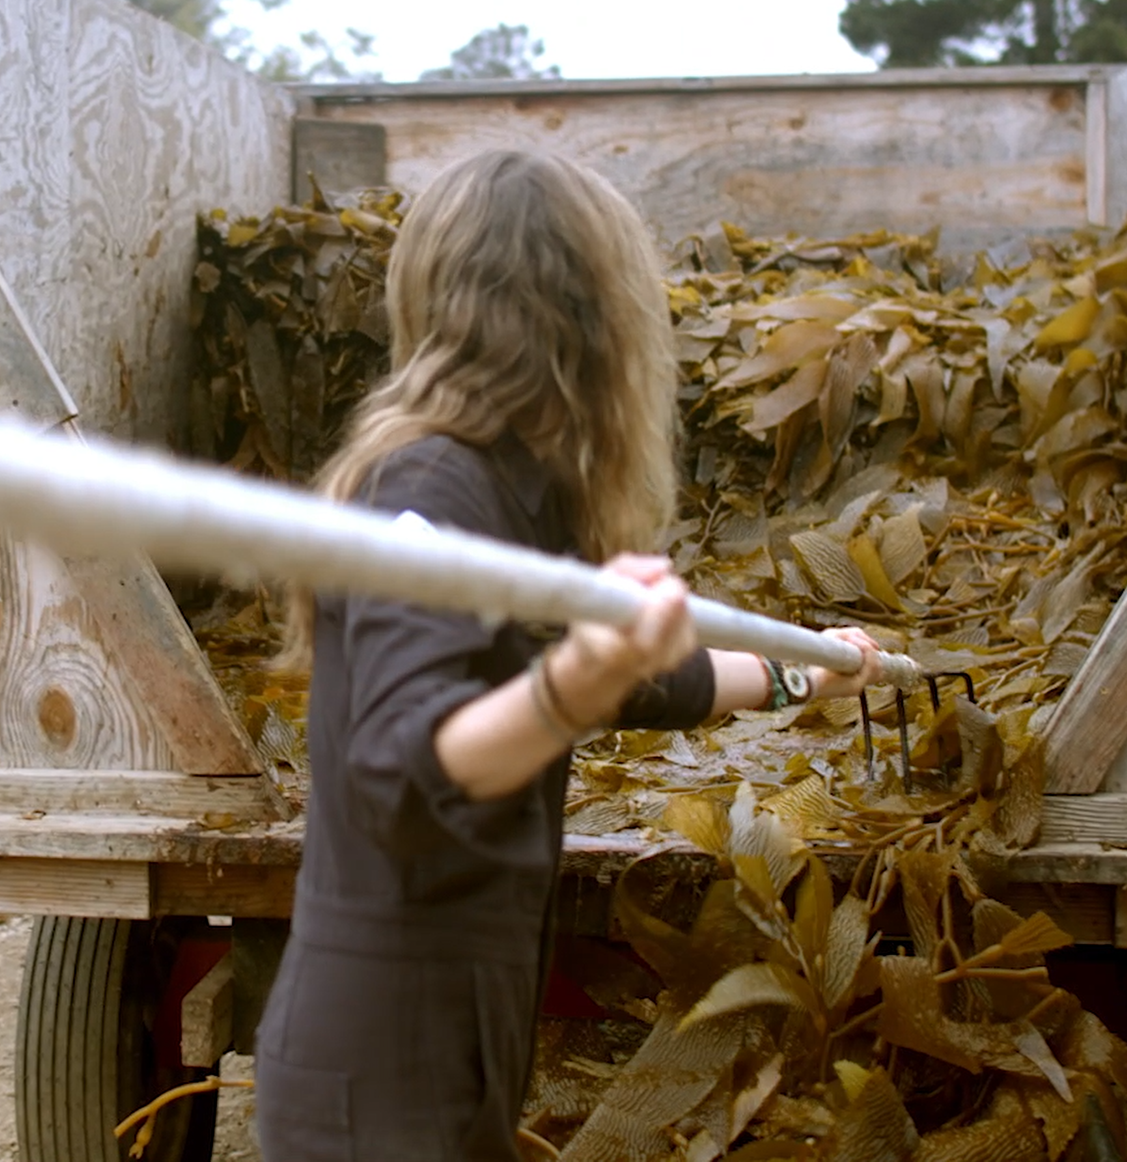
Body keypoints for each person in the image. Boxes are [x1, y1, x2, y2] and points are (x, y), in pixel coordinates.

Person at [251, 149, 882, 1161]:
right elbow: (399, 762)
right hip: (379, 1079)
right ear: (591, 319)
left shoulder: (512, 489)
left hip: (449, 1049)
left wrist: (806, 671)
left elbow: (654, 680)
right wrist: (567, 687)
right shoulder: (430, 483)